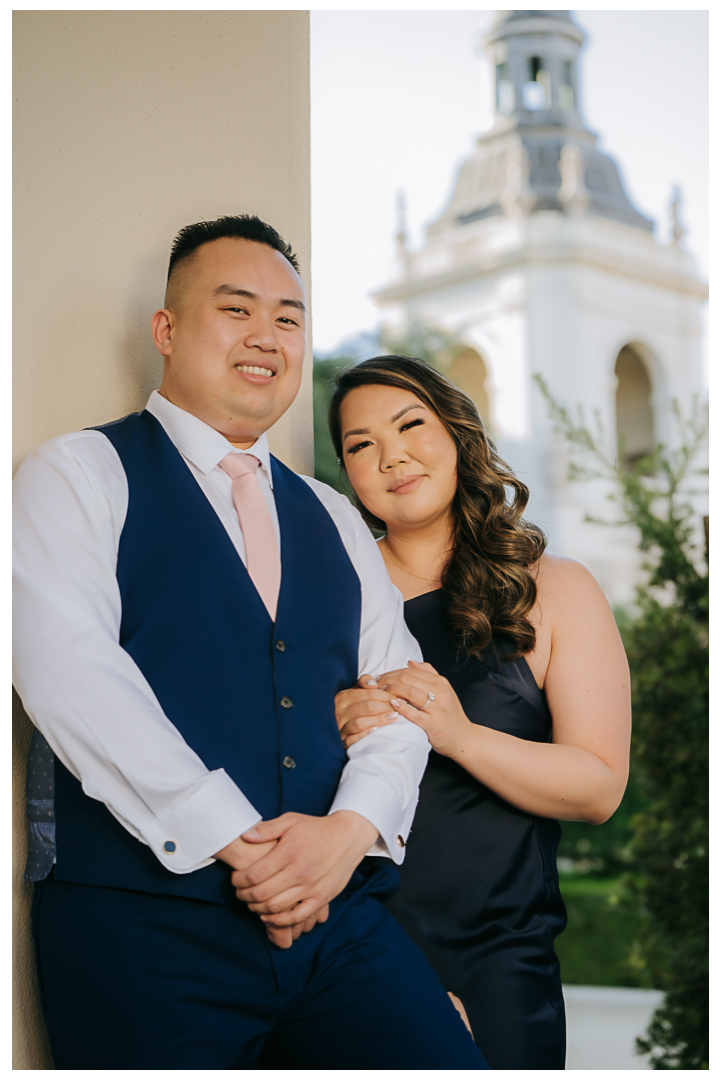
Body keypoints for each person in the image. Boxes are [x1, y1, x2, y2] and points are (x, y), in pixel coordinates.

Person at [13, 221, 488, 1070]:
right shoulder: (77, 473)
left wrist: (346, 834)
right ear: (165, 331)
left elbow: (399, 698)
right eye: (236, 310)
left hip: (339, 924)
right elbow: (68, 672)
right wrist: (247, 846)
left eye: (289, 318)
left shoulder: (336, 516)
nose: (267, 336)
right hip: (144, 932)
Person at [330, 355, 632, 1070]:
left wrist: (458, 736)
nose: (392, 455)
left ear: (458, 435)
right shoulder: (331, 598)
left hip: (500, 964)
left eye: (410, 425)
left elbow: (597, 787)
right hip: (352, 954)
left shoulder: (555, 589)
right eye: (361, 444)